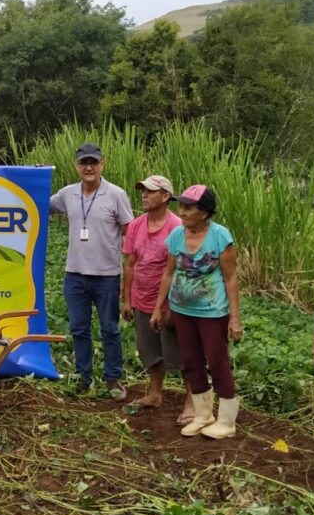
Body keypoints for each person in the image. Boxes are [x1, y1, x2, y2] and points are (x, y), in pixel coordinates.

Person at [151, 185, 242, 439]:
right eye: (181, 207)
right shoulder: (177, 236)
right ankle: (203, 415)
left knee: (217, 362)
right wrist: (159, 308)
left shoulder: (220, 237)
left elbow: (231, 278)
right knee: (190, 362)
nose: (182, 212)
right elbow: (168, 274)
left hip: (212, 312)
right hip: (182, 310)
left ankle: (226, 421)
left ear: (204, 213)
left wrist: (235, 319)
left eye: (188, 208)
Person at [50, 143, 133, 396]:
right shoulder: (67, 194)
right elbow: (39, 205)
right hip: (74, 274)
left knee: (110, 328)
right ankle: (84, 377)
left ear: (102, 165)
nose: (89, 167)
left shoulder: (116, 194)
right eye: (84, 163)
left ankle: (113, 378)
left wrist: (126, 274)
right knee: (79, 328)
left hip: (107, 276)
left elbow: (129, 232)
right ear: (76, 166)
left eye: (93, 162)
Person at [121, 175, 194, 423]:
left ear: (165, 197)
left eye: (150, 191)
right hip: (142, 299)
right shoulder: (135, 226)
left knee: (181, 353)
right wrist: (127, 299)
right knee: (149, 349)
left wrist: (174, 306)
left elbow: (181, 269)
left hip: (169, 302)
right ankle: (155, 393)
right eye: (142, 190)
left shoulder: (177, 227)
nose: (143, 195)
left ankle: (191, 402)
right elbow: (130, 263)